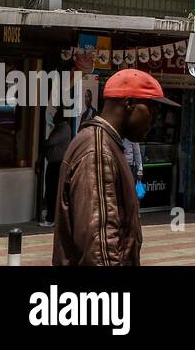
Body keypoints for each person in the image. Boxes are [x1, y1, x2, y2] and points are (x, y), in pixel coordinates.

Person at [52, 69, 177, 266]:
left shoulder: (104, 144)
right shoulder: (98, 150)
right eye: (151, 111)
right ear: (129, 104)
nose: (153, 122)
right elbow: (100, 245)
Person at [40, 112, 73, 227]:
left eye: (55, 115)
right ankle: (51, 217)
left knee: (52, 191)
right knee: (51, 190)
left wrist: (45, 142)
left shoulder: (63, 128)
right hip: (54, 163)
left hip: (57, 164)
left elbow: (51, 141)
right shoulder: (61, 128)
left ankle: (51, 218)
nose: (53, 117)